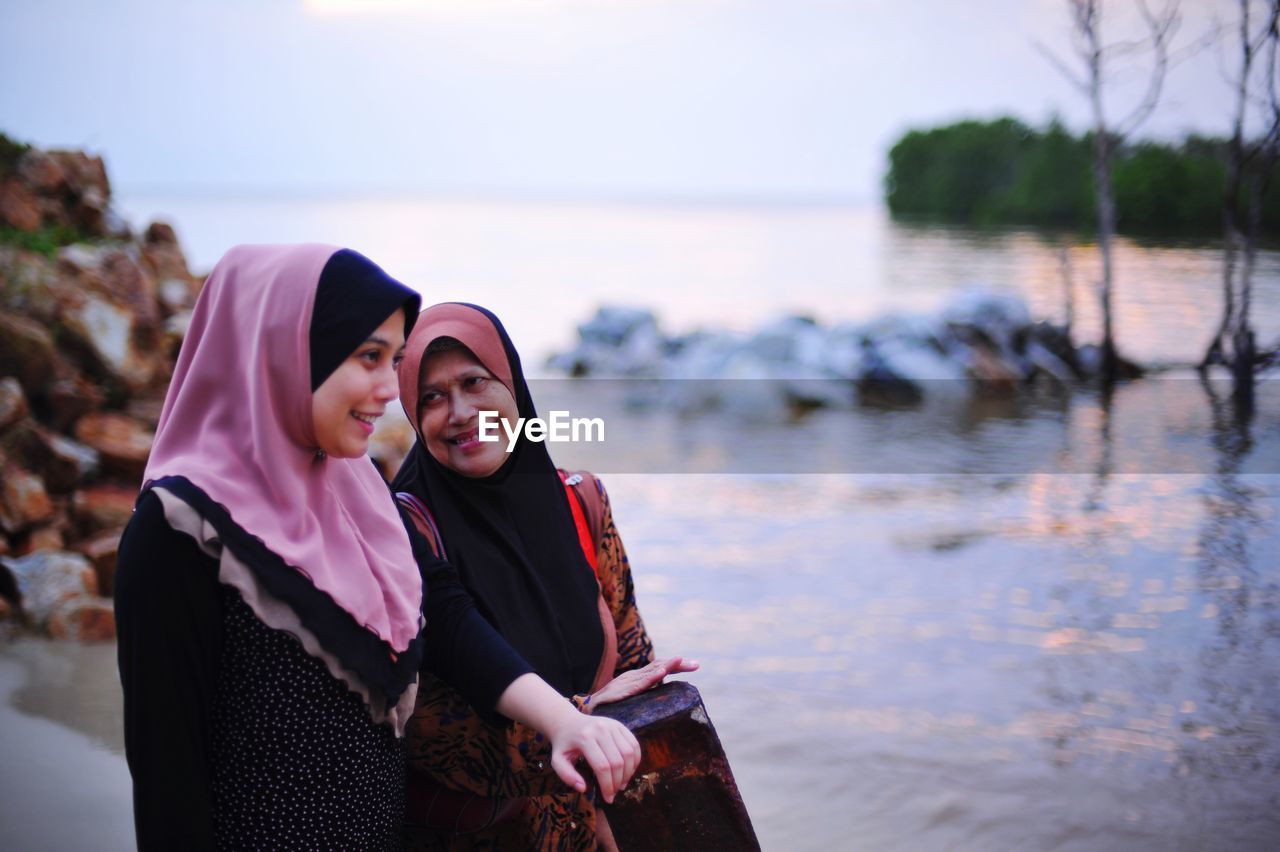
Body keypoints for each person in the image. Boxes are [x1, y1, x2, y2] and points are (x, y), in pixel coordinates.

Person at [114, 245, 639, 851]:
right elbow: (167, 786)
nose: (393, 389)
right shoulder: (177, 529)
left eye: (393, 361)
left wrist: (568, 718)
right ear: (285, 350)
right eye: (370, 358)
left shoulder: (357, 492)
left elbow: (445, 616)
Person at [391, 302, 696, 850]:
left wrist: (627, 815)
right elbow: (437, 736)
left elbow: (632, 656)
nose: (459, 411)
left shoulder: (581, 500)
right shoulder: (405, 527)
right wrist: (580, 720)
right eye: (432, 397)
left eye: (474, 382)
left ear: (514, 385)